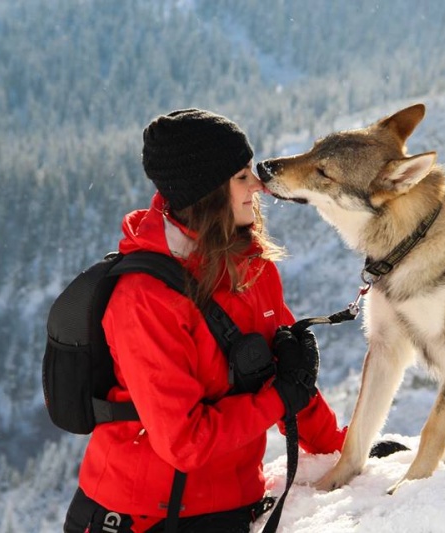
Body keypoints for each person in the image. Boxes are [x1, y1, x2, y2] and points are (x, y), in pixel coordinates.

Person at [63, 109, 346, 533]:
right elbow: (185, 442)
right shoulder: (146, 297)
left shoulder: (253, 269)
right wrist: (278, 398)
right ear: (208, 194)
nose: (258, 187)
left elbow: (290, 381)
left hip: (229, 509)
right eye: (241, 177)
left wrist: (342, 452)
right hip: (140, 519)